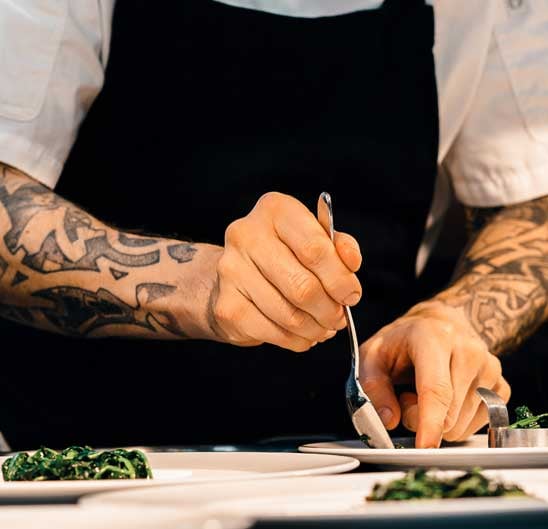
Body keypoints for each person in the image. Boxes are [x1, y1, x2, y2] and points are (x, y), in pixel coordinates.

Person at [0, 0, 546, 450]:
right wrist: (200, 283)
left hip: (369, 457)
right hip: (90, 461)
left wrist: (454, 320)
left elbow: (528, 204)